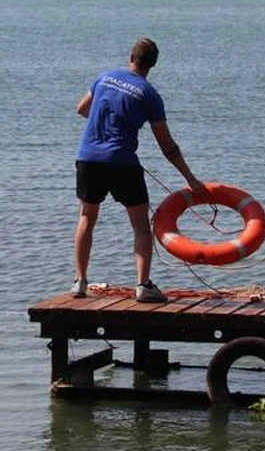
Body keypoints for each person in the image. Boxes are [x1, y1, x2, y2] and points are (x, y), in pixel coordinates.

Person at [70, 37, 205, 303]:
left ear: (131, 56)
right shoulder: (150, 95)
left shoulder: (104, 77)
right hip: (122, 163)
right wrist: (190, 179)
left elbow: (82, 109)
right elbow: (167, 146)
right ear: (152, 64)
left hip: (88, 158)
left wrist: (106, 120)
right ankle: (143, 286)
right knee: (141, 225)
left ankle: (79, 282)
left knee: (87, 217)